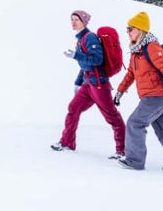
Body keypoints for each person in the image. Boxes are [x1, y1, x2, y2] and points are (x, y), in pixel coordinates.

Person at [113, 11, 163, 173]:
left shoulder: (152, 47)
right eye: (127, 29)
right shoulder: (136, 51)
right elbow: (130, 74)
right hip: (151, 97)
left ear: (140, 30)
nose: (128, 32)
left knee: (135, 123)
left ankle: (135, 161)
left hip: (156, 97)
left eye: (131, 29)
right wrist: (120, 91)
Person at [50, 10, 126, 159]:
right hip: (88, 84)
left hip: (99, 84)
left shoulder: (90, 37)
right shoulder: (80, 39)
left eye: (76, 20)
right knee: (73, 108)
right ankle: (67, 143)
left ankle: (122, 151)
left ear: (84, 22)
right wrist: (77, 83)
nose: (73, 22)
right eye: (71, 19)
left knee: (112, 117)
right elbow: (84, 65)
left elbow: (97, 60)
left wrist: (75, 55)